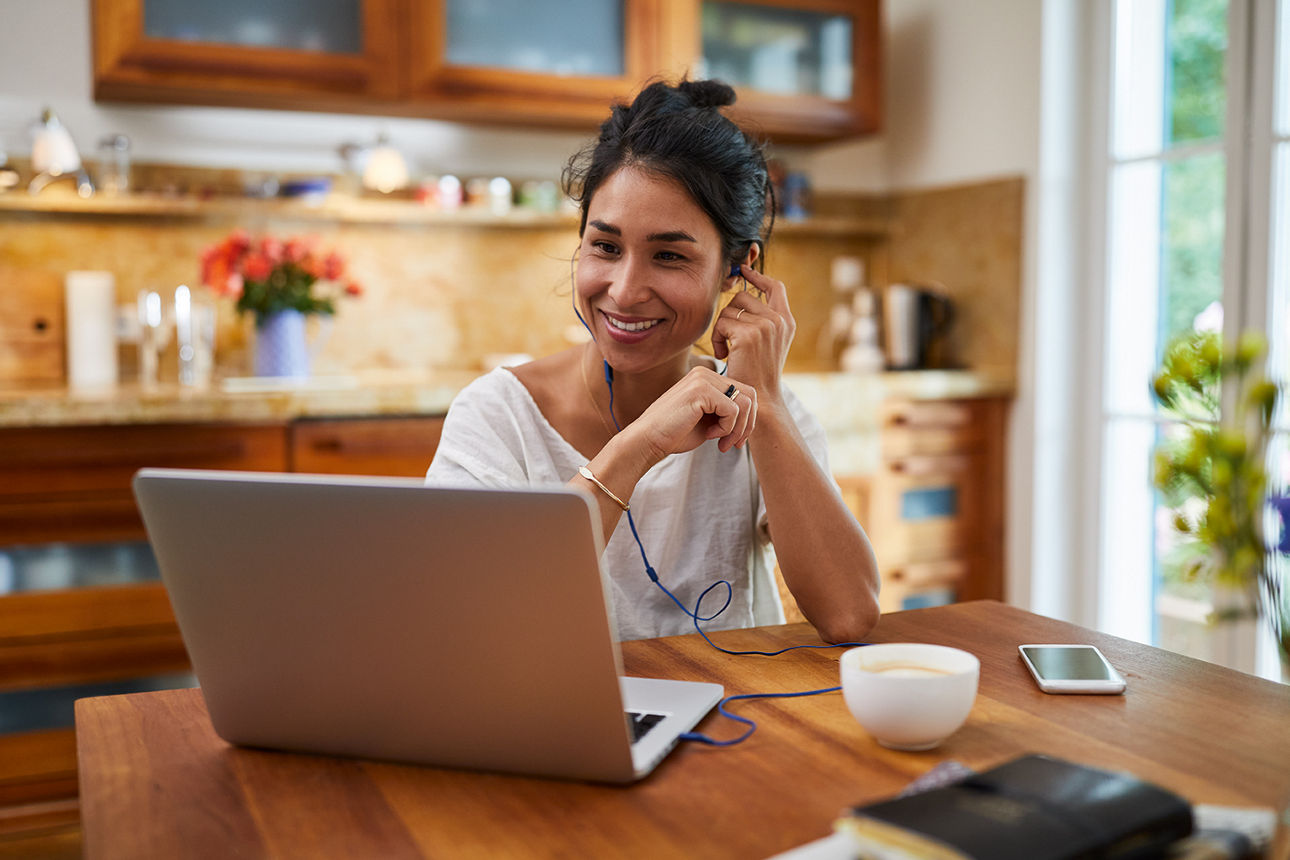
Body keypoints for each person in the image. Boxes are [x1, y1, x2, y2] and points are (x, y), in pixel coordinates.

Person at [426, 79, 879, 643]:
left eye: (668, 255)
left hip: (735, 719)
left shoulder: (762, 410)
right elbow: (470, 622)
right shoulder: (496, 416)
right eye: (605, 246)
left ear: (737, 271)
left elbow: (850, 616)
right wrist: (641, 444)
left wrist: (768, 403)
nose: (624, 289)